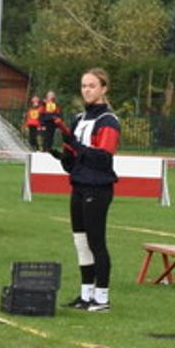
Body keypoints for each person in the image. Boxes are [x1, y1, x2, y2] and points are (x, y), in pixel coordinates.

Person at [58, 68, 121, 311]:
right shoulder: (79, 119)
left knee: (96, 242)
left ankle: (102, 297)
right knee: (80, 242)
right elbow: (74, 159)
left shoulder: (108, 121)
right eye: (84, 85)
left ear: (104, 88)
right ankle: (86, 294)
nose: (86, 90)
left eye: (92, 85)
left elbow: (102, 158)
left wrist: (75, 146)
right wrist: (62, 154)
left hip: (98, 187)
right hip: (79, 185)